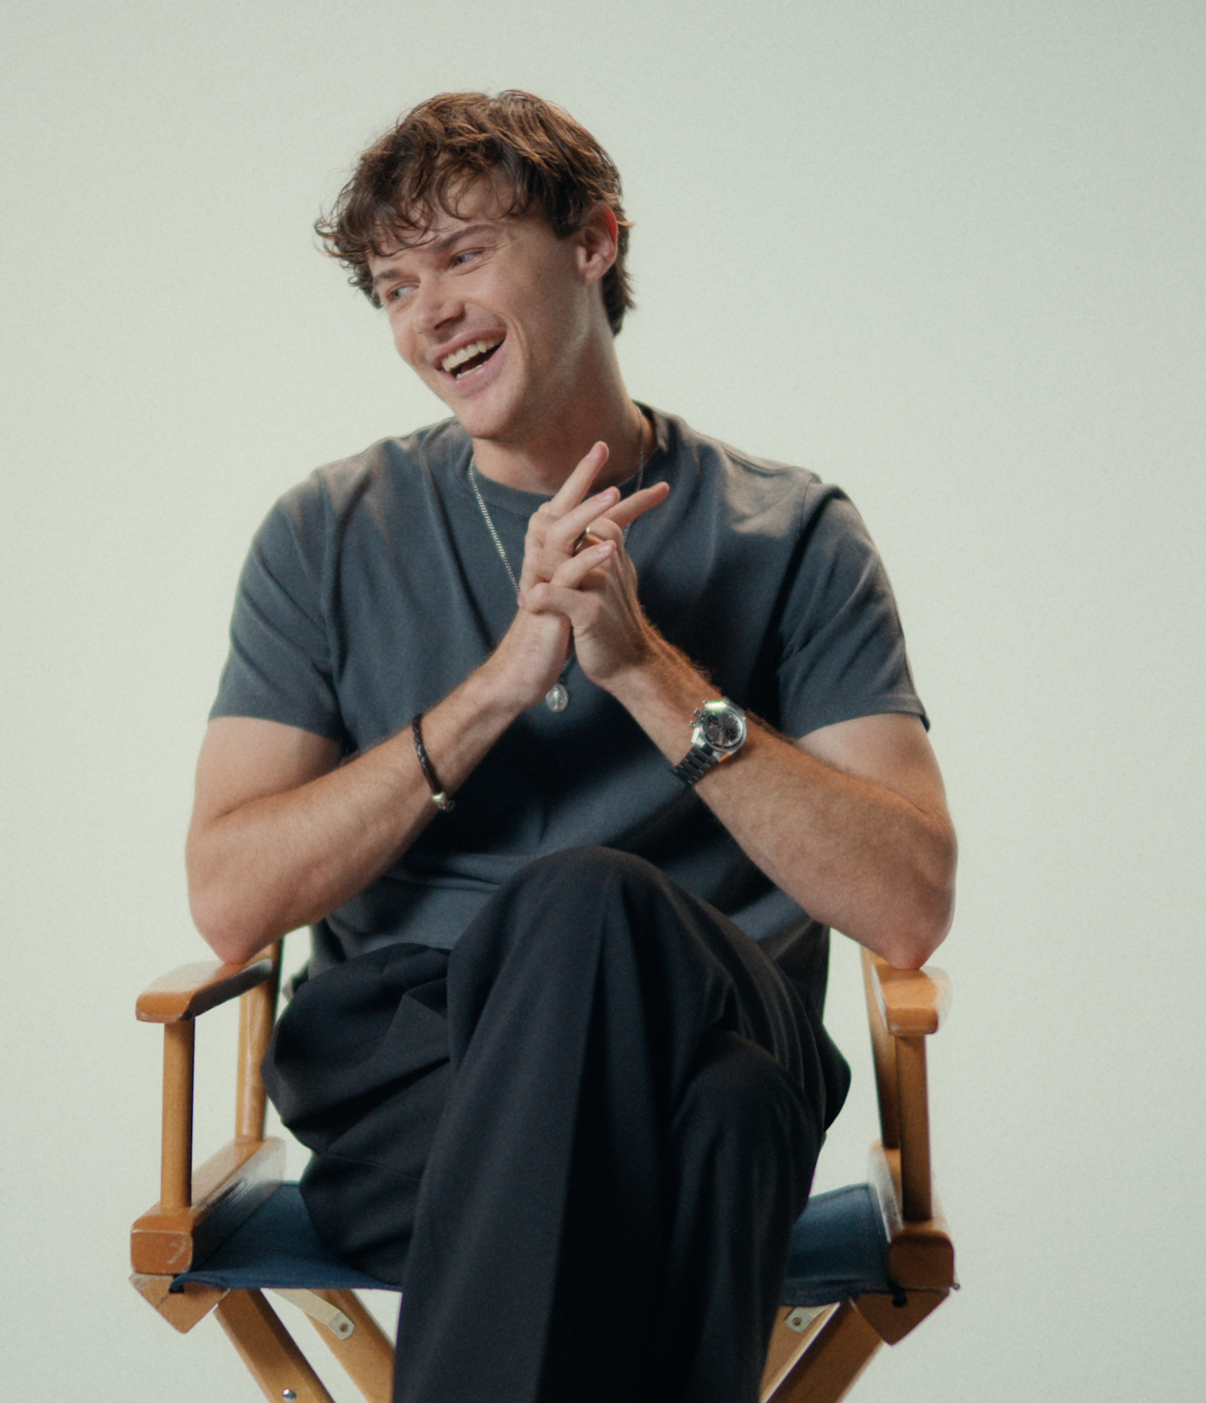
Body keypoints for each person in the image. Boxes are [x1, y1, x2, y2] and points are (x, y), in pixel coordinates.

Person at [187, 90, 955, 1403]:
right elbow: (228, 894)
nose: (429, 313)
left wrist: (643, 671)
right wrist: (500, 684)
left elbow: (907, 898)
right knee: (713, 1128)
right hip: (417, 1096)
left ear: (595, 240)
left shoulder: (793, 534)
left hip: (713, 1021)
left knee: (590, 906)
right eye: (394, 285)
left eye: (464, 255)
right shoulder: (325, 534)